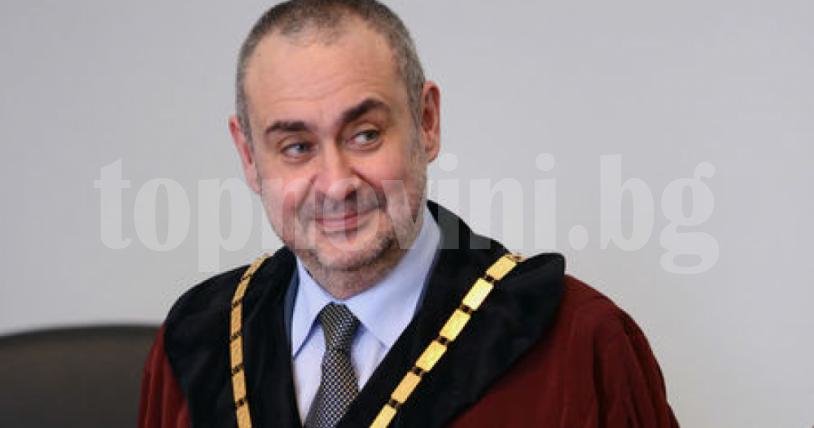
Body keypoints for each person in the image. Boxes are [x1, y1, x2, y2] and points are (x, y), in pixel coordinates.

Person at [138, 1, 679, 427]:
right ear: (249, 156)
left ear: (427, 122)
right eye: (296, 147)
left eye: (365, 134)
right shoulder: (199, 342)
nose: (337, 183)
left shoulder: (578, 346)